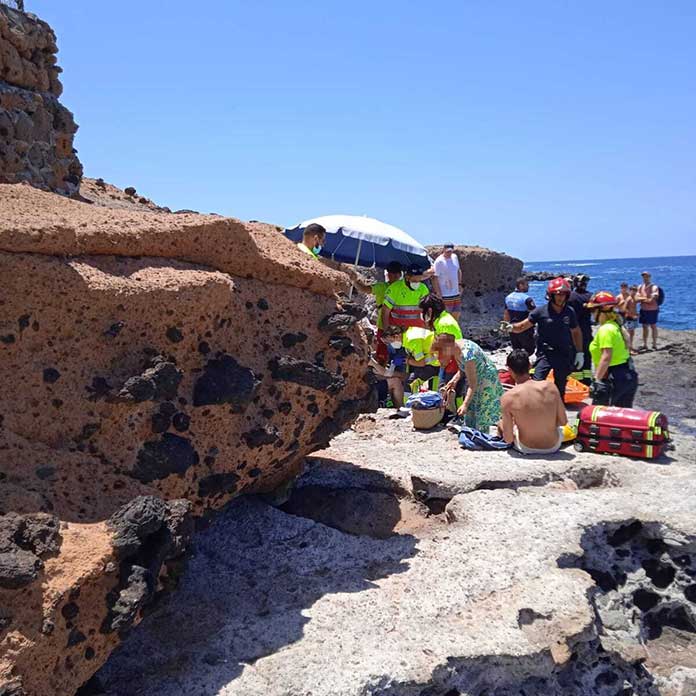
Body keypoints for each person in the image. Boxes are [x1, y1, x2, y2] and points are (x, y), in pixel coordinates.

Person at [510, 277, 584, 401]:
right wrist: (510, 327)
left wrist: (580, 352)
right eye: (557, 295)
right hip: (545, 354)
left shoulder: (569, 312)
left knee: (560, 387)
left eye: (563, 295)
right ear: (551, 295)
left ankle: (558, 415)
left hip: (563, 353)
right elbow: (522, 326)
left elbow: (576, 331)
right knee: (536, 383)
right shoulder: (540, 311)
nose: (560, 298)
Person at [499, 349, 567, 455]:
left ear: (509, 370)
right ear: (530, 366)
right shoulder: (550, 387)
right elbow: (563, 421)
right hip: (553, 445)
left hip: (526, 447)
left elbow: (508, 439)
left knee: (501, 423)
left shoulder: (508, 397)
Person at [433, 333, 503, 432]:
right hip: (474, 377)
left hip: (485, 379)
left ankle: (481, 436)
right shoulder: (456, 347)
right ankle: (471, 433)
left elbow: (472, 384)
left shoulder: (467, 354)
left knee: (480, 411)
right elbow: (462, 369)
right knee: (471, 409)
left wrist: (465, 404)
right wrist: (454, 380)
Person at [586, 291, 638, 407]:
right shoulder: (616, 326)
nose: (592, 314)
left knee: (600, 415)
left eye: (593, 310)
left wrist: (596, 380)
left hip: (612, 377)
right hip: (627, 375)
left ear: (601, 311)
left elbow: (606, 357)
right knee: (622, 415)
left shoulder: (606, 329)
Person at [382, 263, 430, 329]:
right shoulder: (394, 288)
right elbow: (385, 312)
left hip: (417, 331)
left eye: (419, 280)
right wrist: (386, 330)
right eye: (414, 280)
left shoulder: (423, 288)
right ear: (407, 277)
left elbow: (428, 310)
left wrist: (428, 328)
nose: (417, 283)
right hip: (398, 331)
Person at [568, 274, 593, 384]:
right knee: (587, 356)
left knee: (575, 356)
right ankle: (587, 380)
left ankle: (576, 382)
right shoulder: (591, 296)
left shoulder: (570, 297)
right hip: (587, 331)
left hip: (573, 331)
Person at [503, 277, 536, 356]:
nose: (528, 287)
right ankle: (524, 365)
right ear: (521, 285)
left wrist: (505, 326)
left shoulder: (508, 297)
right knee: (529, 350)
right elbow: (535, 314)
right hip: (524, 328)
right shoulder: (527, 299)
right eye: (526, 285)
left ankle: (517, 365)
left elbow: (506, 313)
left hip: (512, 328)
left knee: (516, 350)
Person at [431, 243, 463, 318]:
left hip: (455, 293)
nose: (449, 253)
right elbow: (434, 278)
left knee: (457, 314)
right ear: (443, 250)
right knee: (446, 316)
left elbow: (458, 271)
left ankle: (454, 329)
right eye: (447, 251)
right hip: (445, 295)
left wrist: (460, 285)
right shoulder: (439, 261)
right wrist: (438, 293)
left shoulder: (455, 257)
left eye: (450, 251)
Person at [636, 271, 660, 351]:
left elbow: (651, 299)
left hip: (652, 310)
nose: (645, 278)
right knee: (644, 326)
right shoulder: (640, 287)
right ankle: (645, 344)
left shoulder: (654, 287)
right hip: (643, 310)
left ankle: (654, 344)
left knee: (653, 326)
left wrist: (642, 299)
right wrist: (645, 299)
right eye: (643, 276)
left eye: (646, 276)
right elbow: (636, 298)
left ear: (649, 277)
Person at [616, 283, 639, 354]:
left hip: (629, 315)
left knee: (631, 332)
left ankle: (630, 346)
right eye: (623, 287)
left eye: (625, 287)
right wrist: (621, 303)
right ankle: (627, 348)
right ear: (621, 288)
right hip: (622, 314)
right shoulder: (619, 297)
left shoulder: (629, 295)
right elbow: (615, 306)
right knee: (625, 332)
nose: (624, 289)